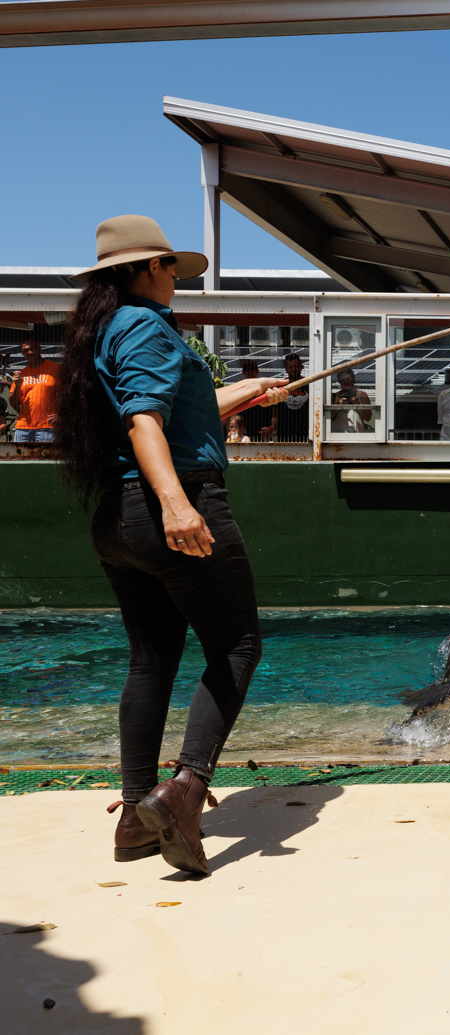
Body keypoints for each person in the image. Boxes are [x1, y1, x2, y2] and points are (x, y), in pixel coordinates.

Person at [52, 214, 286, 876]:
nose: (175, 278)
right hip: (170, 505)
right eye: (168, 267)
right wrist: (179, 505)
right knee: (238, 645)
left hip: (119, 520)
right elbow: (145, 421)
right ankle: (184, 788)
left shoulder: (109, 330)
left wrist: (254, 390)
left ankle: (134, 816)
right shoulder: (150, 326)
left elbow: (180, 407)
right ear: (145, 268)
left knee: (150, 660)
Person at [10, 337, 61, 443]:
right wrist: (17, 384)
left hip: (48, 427)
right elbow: (13, 403)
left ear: (39, 349)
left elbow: (70, 395)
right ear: (22, 353)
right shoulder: (21, 374)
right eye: (25, 350)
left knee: (46, 460)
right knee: (19, 459)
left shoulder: (56, 369)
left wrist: (61, 416)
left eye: (32, 349)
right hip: (22, 429)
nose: (29, 352)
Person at [271, 353, 310, 443]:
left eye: (296, 367)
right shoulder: (280, 386)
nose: (293, 370)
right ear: (285, 368)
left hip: (305, 434)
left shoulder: (309, 385)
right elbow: (275, 410)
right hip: (284, 434)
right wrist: (273, 426)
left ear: (301, 367)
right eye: (290, 367)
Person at [234, 360, 274, 441]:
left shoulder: (266, 388)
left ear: (257, 371)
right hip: (243, 436)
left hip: (262, 435)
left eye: (252, 368)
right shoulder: (238, 390)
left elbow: (275, 411)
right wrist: (235, 433)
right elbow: (233, 415)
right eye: (246, 369)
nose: (249, 371)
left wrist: (271, 428)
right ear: (243, 372)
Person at [330, 368, 374, 433]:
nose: (346, 382)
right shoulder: (333, 396)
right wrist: (338, 405)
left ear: (353, 380)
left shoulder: (361, 395)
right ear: (339, 381)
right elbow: (329, 417)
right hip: (337, 435)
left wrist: (358, 405)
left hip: (356, 435)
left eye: (348, 379)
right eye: (342, 379)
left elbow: (368, 417)